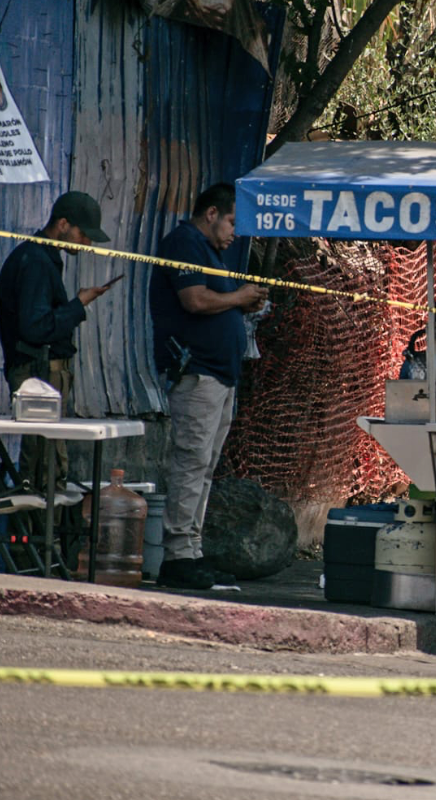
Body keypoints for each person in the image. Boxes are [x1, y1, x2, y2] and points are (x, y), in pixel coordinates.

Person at [150, 183, 268, 590]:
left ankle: (192, 550)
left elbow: (216, 300)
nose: (235, 233)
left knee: (205, 466)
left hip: (220, 373)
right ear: (212, 213)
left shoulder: (213, 253)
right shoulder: (185, 243)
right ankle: (178, 554)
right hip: (197, 371)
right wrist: (238, 298)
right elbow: (195, 301)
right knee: (191, 461)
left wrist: (242, 302)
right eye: (233, 222)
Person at [0, 190, 113, 491]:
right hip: (37, 374)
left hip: (44, 374)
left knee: (50, 459)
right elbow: (35, 328)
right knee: (43, 464)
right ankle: (39, 535)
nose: (86, 244)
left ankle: (44, 531)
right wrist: (78, 305)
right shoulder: (35, 261)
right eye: (82, 235)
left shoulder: (42, 258)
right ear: (63, 225)